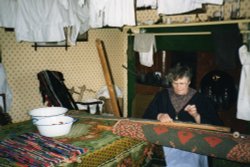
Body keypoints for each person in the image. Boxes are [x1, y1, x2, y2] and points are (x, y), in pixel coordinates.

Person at [143, 64, 223, 167]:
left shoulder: (200, 99)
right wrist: (159, 115)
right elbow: (146, 115)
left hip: (192, 139)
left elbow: (217, 125)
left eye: (182, 83)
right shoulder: (163, 95)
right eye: (175, 83)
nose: (178, 87)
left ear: (189, 82)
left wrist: (196, 116)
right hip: (167, 138)